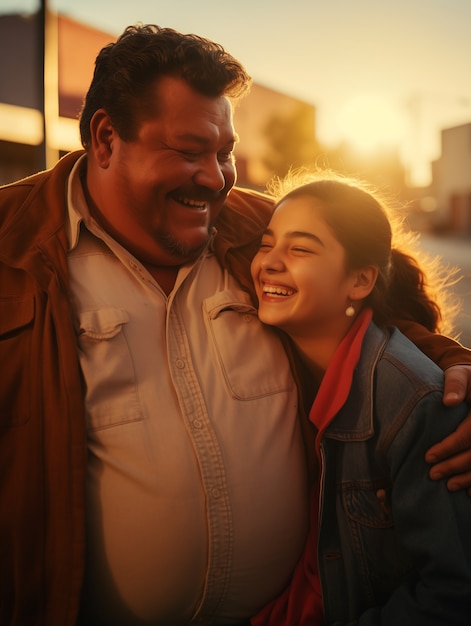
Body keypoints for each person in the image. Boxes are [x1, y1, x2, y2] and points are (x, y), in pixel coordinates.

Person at [0, 23, 470, 626]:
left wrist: (454, 373)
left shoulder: (260, 229)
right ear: (107, 137)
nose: (217, 177)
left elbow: (377, 307)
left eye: (223, 152)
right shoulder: (13, 246)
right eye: (190, 150)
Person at [249, 172, 471, 625]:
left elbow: (453, 594)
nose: (269, 262)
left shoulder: (413, 403)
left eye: (300, 249)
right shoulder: (275, 353)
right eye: (266, 243)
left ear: (360, 280)